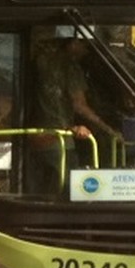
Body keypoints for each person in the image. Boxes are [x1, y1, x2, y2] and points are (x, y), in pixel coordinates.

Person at [28, 37, 120, 193]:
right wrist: (108, 129)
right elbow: (79, 106)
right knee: (70, 190)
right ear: (73, 43)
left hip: (32, 137)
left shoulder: (39, 60)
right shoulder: (70, 67)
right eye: (85, 46)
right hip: (59, 139)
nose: (86, 52)